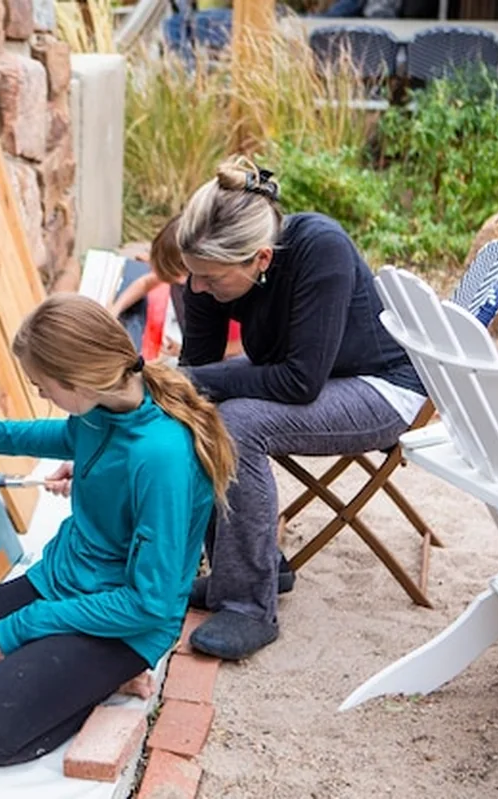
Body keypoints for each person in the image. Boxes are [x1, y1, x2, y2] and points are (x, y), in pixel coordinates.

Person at [0, 293, 236, 767]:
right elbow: (61, 435)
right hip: (59, 583)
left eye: (44, 387)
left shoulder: (162, 456)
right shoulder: (100, 409)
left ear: (80, 381)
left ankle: (102, 679)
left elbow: (149, 602)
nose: (42, 396)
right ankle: (51, 677)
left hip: (124, 624)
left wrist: (22, 628)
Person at [171, 155, 428, 661]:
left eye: (211, 279)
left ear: (260, 260)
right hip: (317, 375)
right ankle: (248, 565)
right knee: (193, 414)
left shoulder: (320, 247)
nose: (197, 289)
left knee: (238, 424)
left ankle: (248, 607)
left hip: (381, 387)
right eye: (192, 275)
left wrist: (190, 382)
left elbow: (299, 381)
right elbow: (195, 377)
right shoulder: (205, 268)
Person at [110, 215, 243, 361]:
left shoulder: (232, 292)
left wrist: (186, 350)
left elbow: (243, 346)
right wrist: (114, 310)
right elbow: (145, 283)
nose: (175, 281)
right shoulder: (190, 277)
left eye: (177, 276)